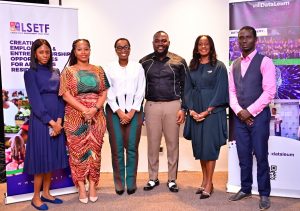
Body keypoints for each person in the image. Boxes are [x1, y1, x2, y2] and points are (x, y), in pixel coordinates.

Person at [228, 26, 276, 210]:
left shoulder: (265, 62)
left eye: (248, 37)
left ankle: (264, 194)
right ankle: (245, 188)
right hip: (239, 117)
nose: (244, 40)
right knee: (243, 155)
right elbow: (231, 92)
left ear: (256, 40)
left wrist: (250, 111)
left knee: (261, 155)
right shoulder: (234, 64)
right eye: (241, 38)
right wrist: (240, 111)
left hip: (259, 117)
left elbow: (269, 92)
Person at [59, 39, 109, 204]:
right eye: (79, 49)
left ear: (90, 50)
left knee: (95, 150)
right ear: (74, 52)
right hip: (75, 116)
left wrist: (94, 109)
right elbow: (65, 94)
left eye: (86, 49)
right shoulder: (67, 71)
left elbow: (103, 93)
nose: (83, 52)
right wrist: (83, 109)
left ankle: (93, 184)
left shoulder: (98, 70)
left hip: (97, 116)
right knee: (77, 152)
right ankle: (81, 185)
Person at [140, 31, 187, 192]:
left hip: (173, 105)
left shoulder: (179, 61)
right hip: (151, 105)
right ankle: (153, 178)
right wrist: (141, 110)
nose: (160, 43)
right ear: (153, 43)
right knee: (152, 144)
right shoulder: (144, 62)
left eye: (164, 40)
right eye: (157, 41)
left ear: (169, 42)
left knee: (173, 144)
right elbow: (139, 88)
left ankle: (172, 179)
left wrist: (184, 108)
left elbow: (186, 86)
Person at [23, 39, 68, 210]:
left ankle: (46, 193)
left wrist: (59, 120)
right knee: (42, 160)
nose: (44, 55)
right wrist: (50, 122)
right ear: (35, 53)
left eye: (47, 52)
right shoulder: (30, 73)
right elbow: (35, 101)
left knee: (51, 159)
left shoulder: (55, 71)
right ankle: (36, 197)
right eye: (41, 52)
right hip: (41, 122)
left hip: (56, 120)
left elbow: (60, 97)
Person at [184, 35, 228, 199]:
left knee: (209, 149)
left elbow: (221, 90)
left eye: (206, 44)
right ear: (196, 47)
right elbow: (187, 89)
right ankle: (204, 181)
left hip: (212, 113)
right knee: (201, 147)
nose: (203, 47)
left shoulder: (219, 67)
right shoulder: (192, 67)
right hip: (196, 112)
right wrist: (192, 110)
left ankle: (210, 183)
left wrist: (208, 110)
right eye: (200, 44)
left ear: (211, 46)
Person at [105, 38, 145, 195]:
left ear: (130, 49)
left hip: (134, 112)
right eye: (119, 47)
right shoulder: (109, 67)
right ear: (115, 50)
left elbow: (141, 90)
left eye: (126, 47)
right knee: (117, 148)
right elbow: (108, 91)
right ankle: (119, 183)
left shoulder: (138, 67)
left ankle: (131, 182)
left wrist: (131, 112)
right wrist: (120, 112)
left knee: (132, 148)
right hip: (114, 112)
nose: (123, 49)